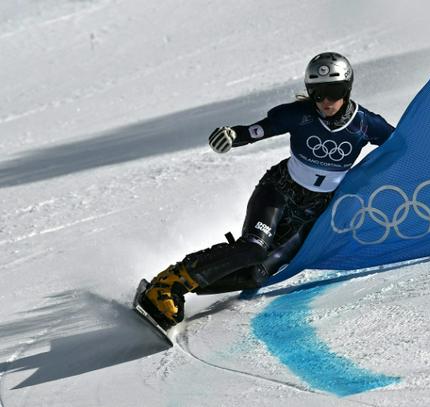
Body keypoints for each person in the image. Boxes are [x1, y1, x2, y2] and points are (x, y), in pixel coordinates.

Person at [137, 52, 395, 330]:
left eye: (334, 92)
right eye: (317, 93)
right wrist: (233, 135)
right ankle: (168, 285)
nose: (326, 102)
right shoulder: (299, 115)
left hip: (312, 212)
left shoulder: (365, 123)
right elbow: (258, 130)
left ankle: (184, 286)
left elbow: (402, 145)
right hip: (279, 190)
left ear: (348, 89)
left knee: (255, 275)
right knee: (253, 248)